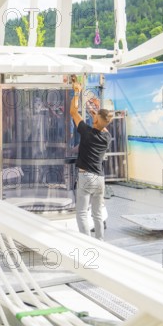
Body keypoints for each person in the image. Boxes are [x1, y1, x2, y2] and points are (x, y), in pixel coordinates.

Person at [70, 80, 113, 240]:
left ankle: (86, 243)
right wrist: (95, 115)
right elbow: (104, 122)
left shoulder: (86, 132)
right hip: (100, 179)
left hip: (86, 177)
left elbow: (73, 112)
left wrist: (77, 92)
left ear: (95, 120)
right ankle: (100, 241)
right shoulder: (107, 137)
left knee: (81, 212)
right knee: (97, 214)